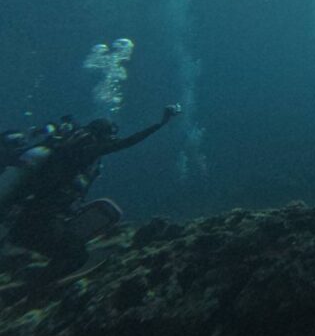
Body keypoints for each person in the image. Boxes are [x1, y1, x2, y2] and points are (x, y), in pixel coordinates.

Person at [2, 104, 181, 280]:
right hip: (34, 220)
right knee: (75, 255)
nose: (111, 141)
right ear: (100, 136)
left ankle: (25, 271)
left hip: (27, 218)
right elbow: (128, 142)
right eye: (109, 137)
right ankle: (35, 287)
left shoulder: (68, 150)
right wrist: (160, 124)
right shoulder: (84, 150)